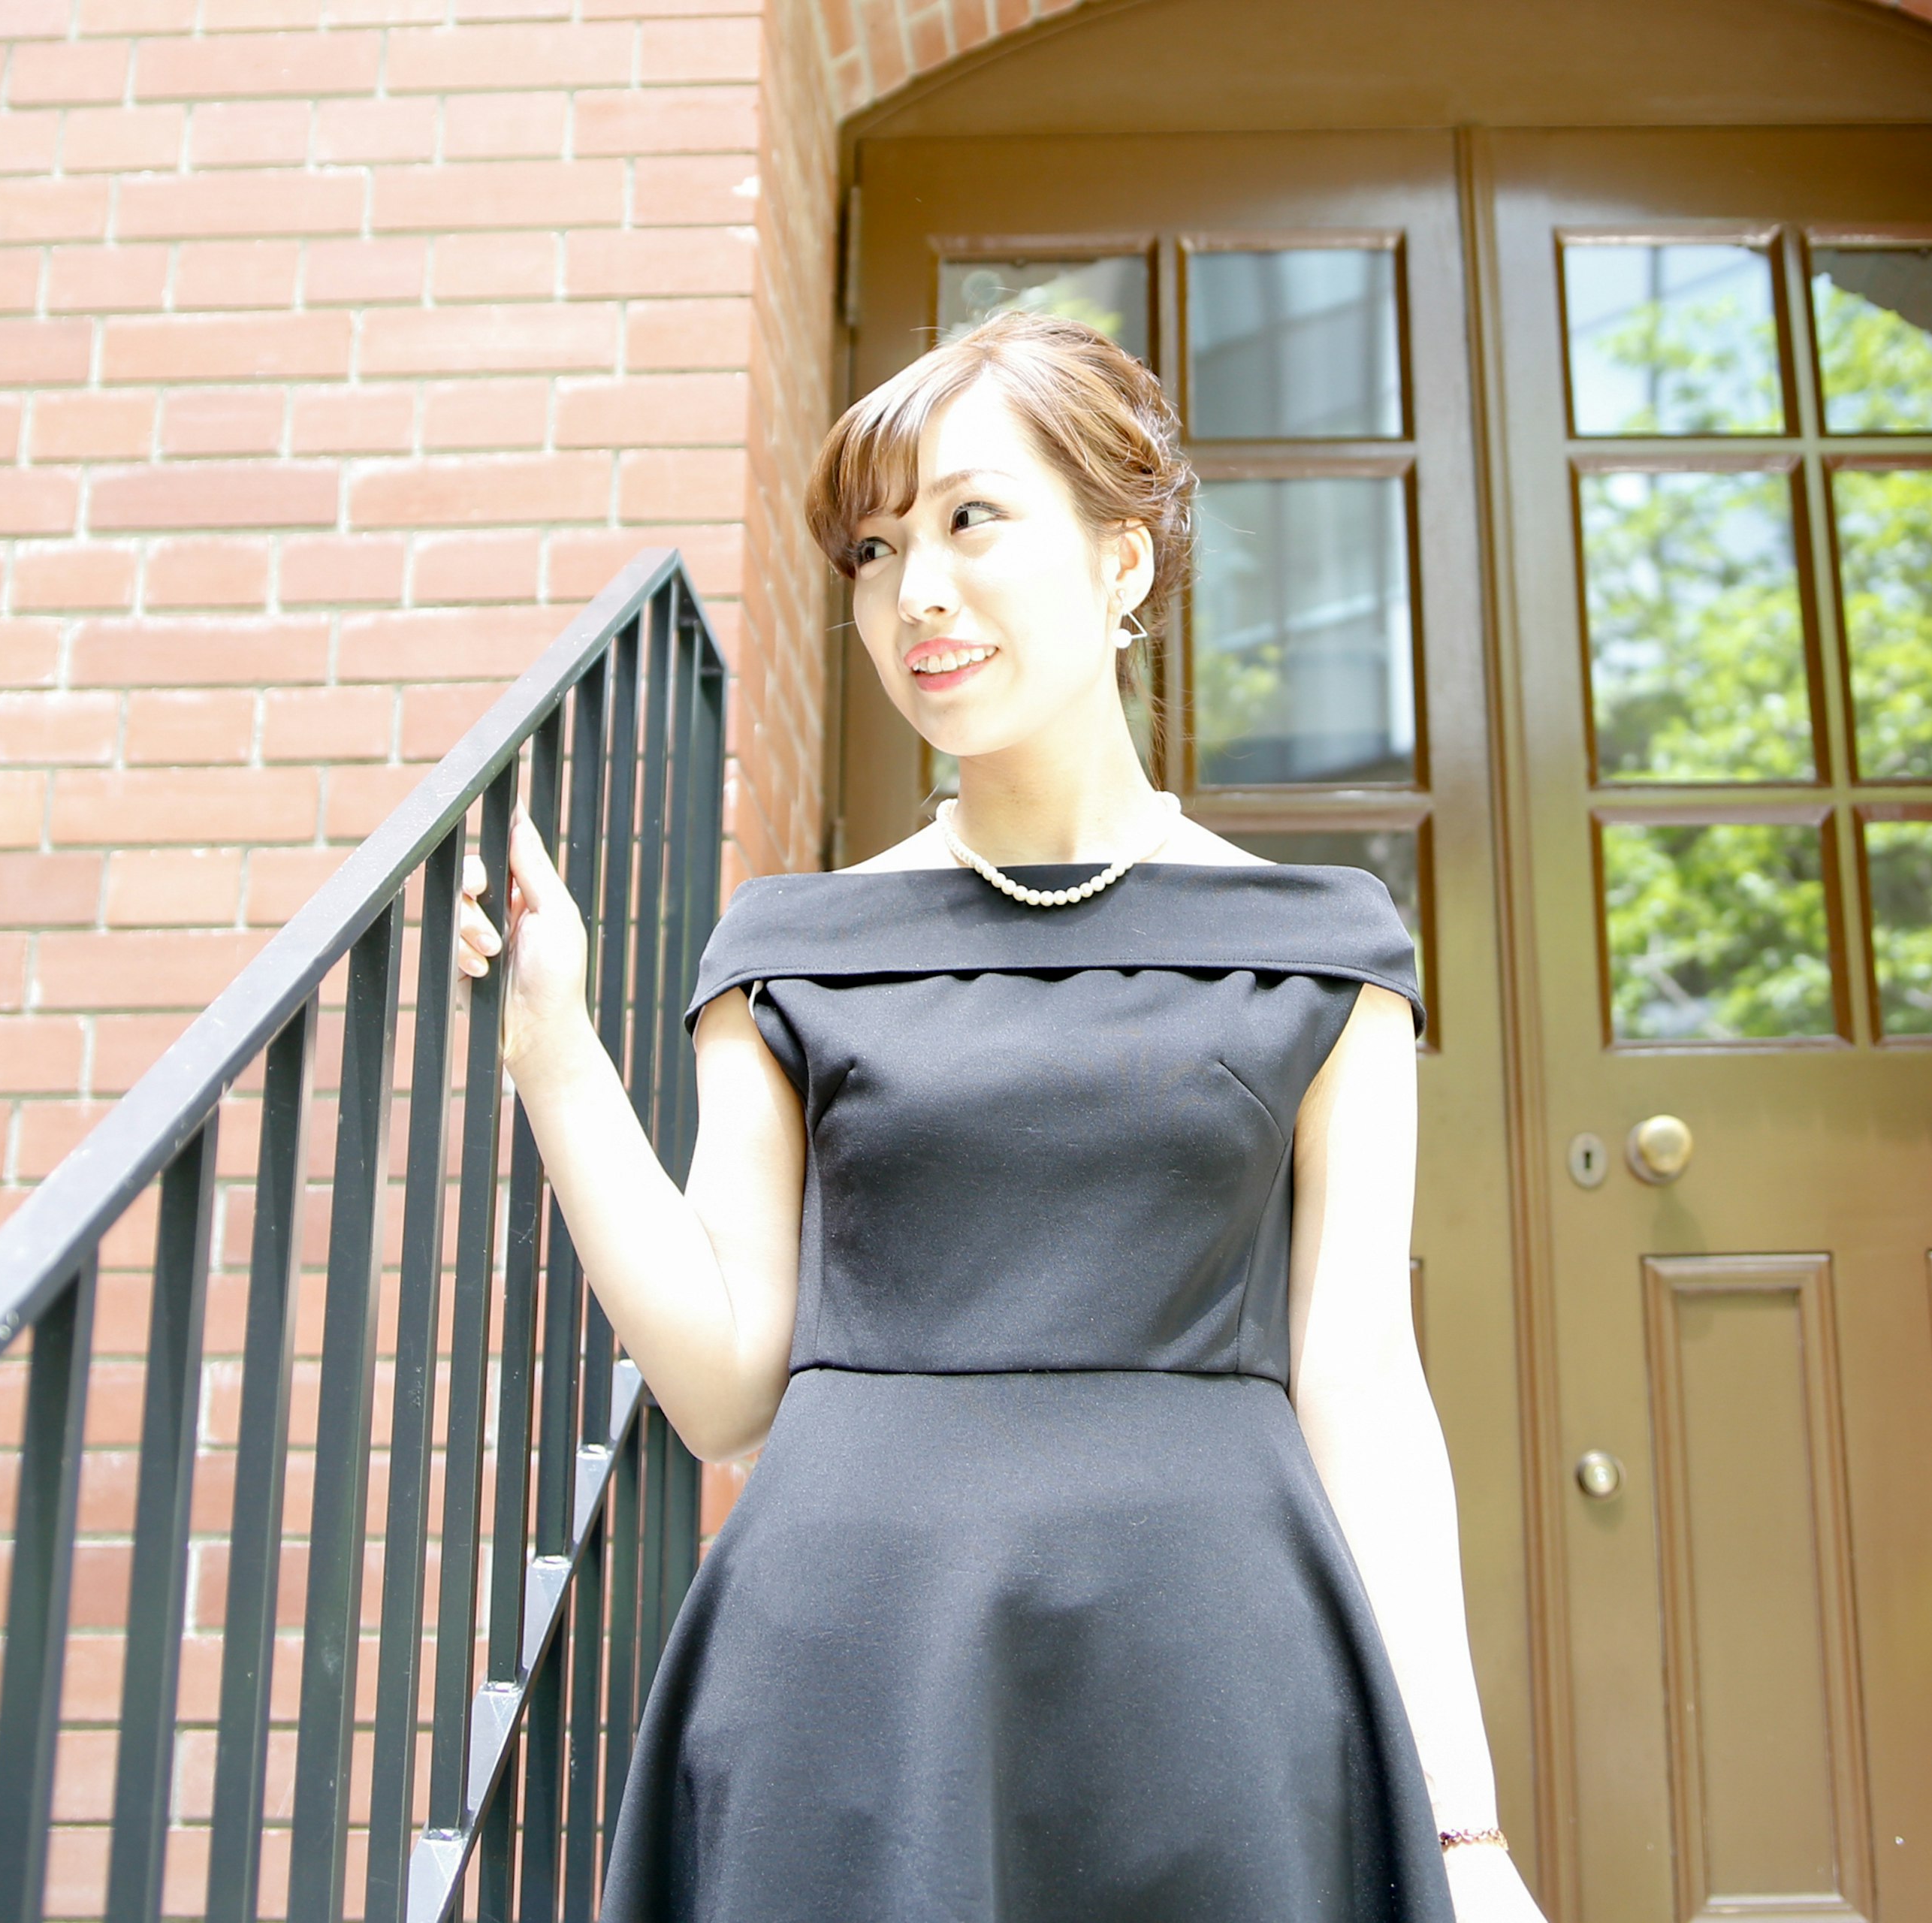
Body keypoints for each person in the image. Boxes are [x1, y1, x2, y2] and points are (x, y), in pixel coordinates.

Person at [454, 309, 1545, 1921]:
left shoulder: (1324, 947)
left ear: (1125, 559)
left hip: (1220, 1687)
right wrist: (554, 1050)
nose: (920, 595)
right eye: (879, 550)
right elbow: (724, 1387)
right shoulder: (789, 946)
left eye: (973, 520)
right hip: (847, 1685)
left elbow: (1363, 1385)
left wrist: (1465, 1830)